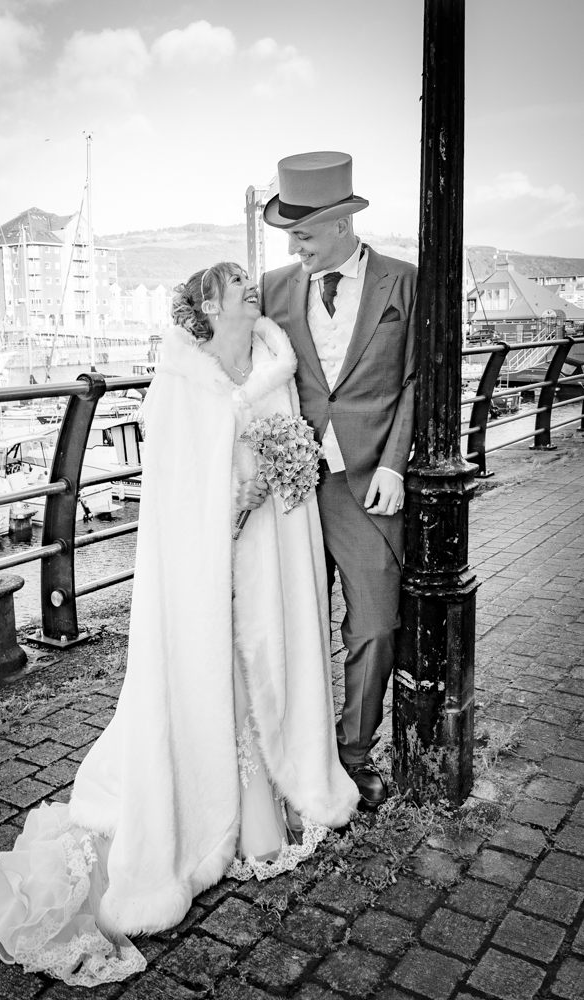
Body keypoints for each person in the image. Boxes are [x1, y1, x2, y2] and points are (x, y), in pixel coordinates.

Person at [0, 262, 359, 988]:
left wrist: (282, 474)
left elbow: (289, 454)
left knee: (257, 671)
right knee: (206, 677)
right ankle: (198, 824)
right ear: (207, 303)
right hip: (205, 571)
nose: (249, 286)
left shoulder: (276, 366)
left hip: (262, 567)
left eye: (247, 279)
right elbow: (178, 489)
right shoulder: (179, 382)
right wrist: (231, 504)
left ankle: (260, 808)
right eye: (233, 281)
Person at [261, 151, 417, 810]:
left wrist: (392, 463)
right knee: (288, 627)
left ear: (338, 223)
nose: (292, 245)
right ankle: (298, 755)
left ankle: (354, 755)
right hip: (291, 491)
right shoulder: (270, 288)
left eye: (302, 232)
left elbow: (416, 379)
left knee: (376, 627)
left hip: (368, 487)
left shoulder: (403, 283)